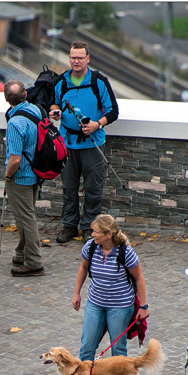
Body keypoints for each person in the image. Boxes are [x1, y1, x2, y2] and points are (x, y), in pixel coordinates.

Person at [70, 215, 150, 375]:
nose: (93, 234)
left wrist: (144, 306)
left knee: (118, 347)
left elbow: (139, 278)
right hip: (95, 302)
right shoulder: (90, 247)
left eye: (96, 231)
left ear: (108, 234)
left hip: (120, 305)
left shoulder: (125, 252)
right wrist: (76, 293)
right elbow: (83, 268)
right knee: (87, 344)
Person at [49, 41, 119, 243]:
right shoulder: (61, 82)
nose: (76, 61)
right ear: (69, 58)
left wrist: (97, 124)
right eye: (73, 57)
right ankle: (69, 226)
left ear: (88, 59)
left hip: (92, 143)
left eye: (80, 57)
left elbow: (113, 111)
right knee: (68, 188)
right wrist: (55, 112)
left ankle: (91, 227)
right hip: (67, 143)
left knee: (93, 188)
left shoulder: (99, 82)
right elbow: (54, 102)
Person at [3, 79, 45, 277]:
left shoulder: (14, 123)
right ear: (25, 95)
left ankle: (34, 262)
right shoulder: (35, 110)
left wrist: (8, 175)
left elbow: (15, 159)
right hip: (36, 172)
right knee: (25, 215)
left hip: (20, 177)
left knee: (26, 218)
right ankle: (22, 253)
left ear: (6, 99)